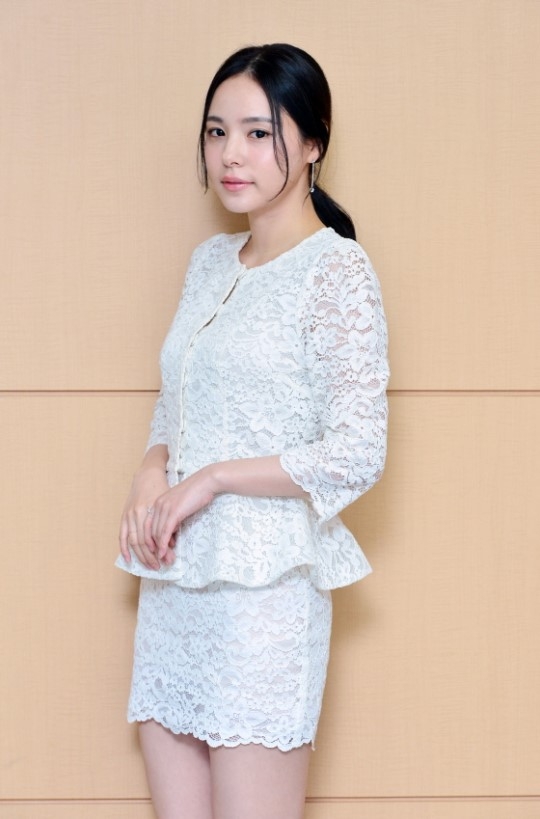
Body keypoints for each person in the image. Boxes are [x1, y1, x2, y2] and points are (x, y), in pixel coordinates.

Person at [116, 43, 389, 819]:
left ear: (313, 144)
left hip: (266, 595)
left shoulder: (337, 272)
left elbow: (357, 450)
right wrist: (151, 469)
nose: (231, 154)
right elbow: (178, 401)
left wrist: (212, 478)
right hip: (174, 582)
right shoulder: (208, 263)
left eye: (258, 133)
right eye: (216, 131)